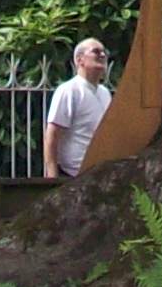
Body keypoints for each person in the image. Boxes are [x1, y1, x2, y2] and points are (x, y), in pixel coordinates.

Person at [43, 37, 111, 180]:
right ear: (80, 60)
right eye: (96, 52)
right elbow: (52, 134)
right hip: (71, 175)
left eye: (104, 52)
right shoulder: (68, 90)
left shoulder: (105, 93)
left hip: (99, 174)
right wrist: (52, 175)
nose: (102, 56)